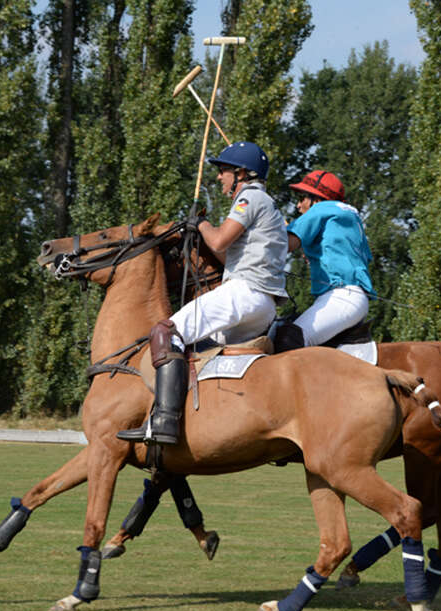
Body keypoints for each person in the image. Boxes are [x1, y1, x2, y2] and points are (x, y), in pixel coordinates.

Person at [118, 141, 288, 445]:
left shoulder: (249, 198)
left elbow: (221, 241)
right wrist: (200, 233)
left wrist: (202, 223)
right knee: (201, 348)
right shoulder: (268, 204)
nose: (219, 177)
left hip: (244, 294)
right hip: (261, 303)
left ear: (242, 174)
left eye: (224, 171)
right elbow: (228, 259)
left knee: (165, 331)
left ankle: (164, 422)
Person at [274, 170, 376, 353]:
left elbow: (284, 246)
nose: (298, 206)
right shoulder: (350, 216)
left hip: (342, 297)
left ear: (318, 199)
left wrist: (271, 225)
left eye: (302, 198)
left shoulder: (322, 209)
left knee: (288, 340)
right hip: (351, 297)